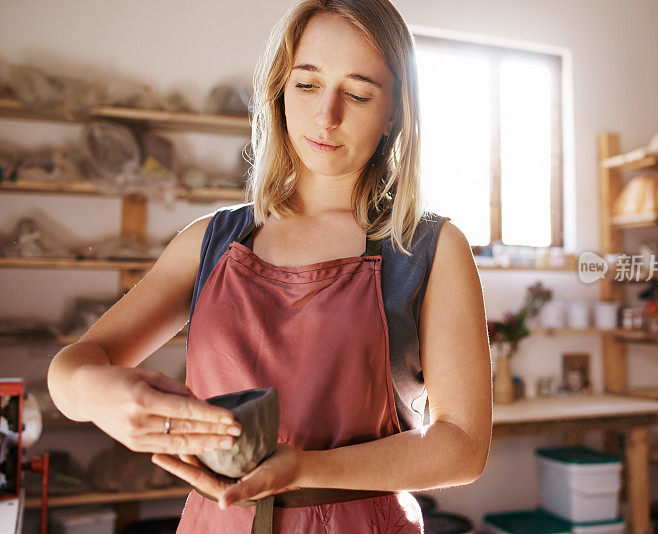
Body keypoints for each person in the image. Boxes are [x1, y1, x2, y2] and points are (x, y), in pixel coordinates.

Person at [47, 0, 492, 531]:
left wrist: (306, 468)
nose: (326, 115)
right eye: (306, 84)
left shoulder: (429, 249)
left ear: (395, 110)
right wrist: (99, 395)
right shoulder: (211, 242)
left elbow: (462, 446)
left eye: (357, 93)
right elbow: (71, 368)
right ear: (280, 91)